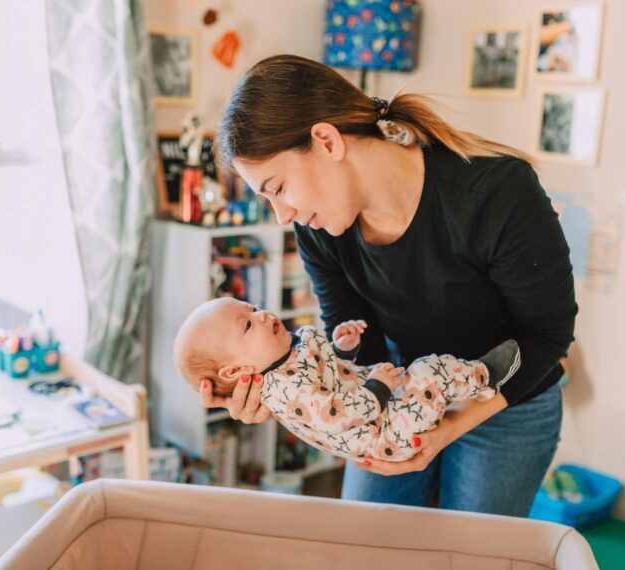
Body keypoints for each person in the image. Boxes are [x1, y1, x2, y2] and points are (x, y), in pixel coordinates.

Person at [199, 54, 577, 516]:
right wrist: (280, 384)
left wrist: (448, 427)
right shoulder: (317, 229)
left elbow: (548, 335)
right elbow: (353, 332)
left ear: (326, 141)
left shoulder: (496, 194)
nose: (284, 215)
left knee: (470, 555)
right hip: (397, 386)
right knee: (366, 543)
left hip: (508, 398)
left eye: (278, 189)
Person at [174, 297, 521, 462]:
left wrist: (343, 350)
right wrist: (378, 387)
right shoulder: (284, 388)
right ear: (237, 372)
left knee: (425, 374)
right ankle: (485, 375)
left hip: (379, 407)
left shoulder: (287, 355)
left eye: (250, 307)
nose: (261, 315)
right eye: (248, 325)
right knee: (429, 371)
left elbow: (330, 380)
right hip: (383, 433)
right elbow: (335, 413)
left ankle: (470, 380)